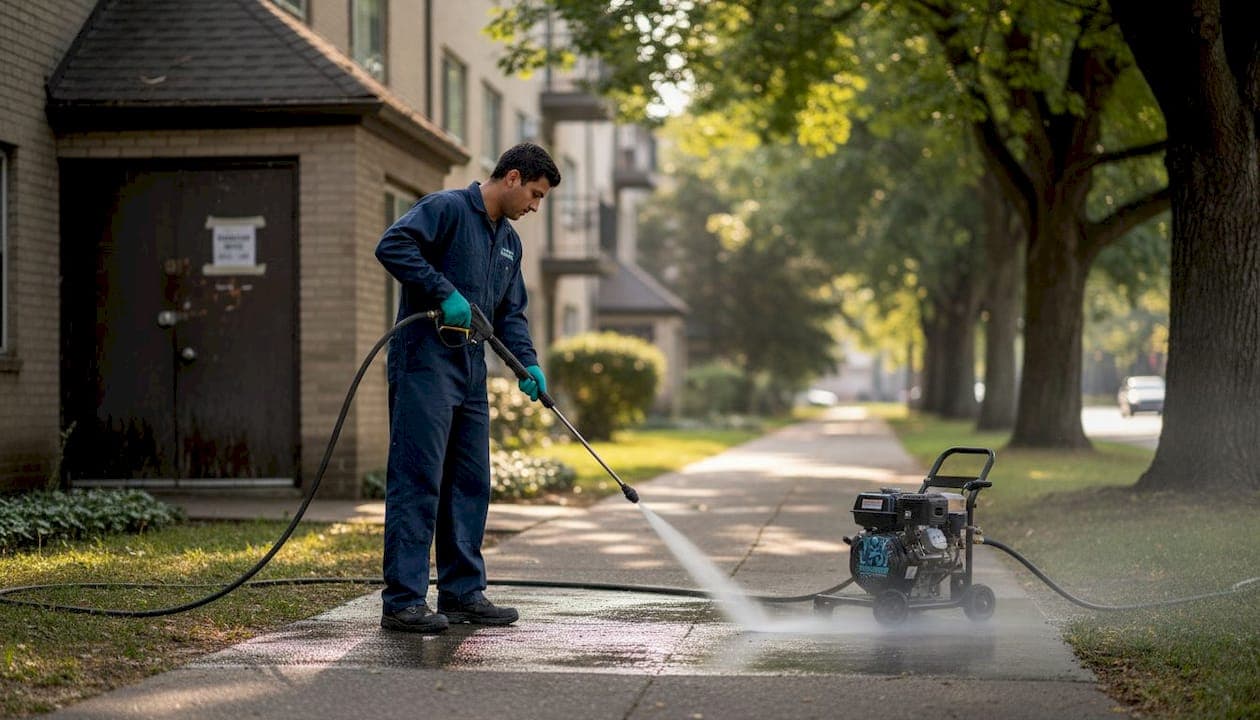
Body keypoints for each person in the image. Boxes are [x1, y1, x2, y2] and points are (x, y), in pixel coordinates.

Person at [374, 142, 559, 633]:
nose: (535, 207)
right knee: (419, 478)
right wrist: (443, 291)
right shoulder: (447, 208)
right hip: (424, 364)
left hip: (471, 369)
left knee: (470, 481)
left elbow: (509, 314)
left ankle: (462, 593)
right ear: (514, 178)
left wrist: (528, 365)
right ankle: (404, 601)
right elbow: (392, 245)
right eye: (536, 195)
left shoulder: (508, 243)